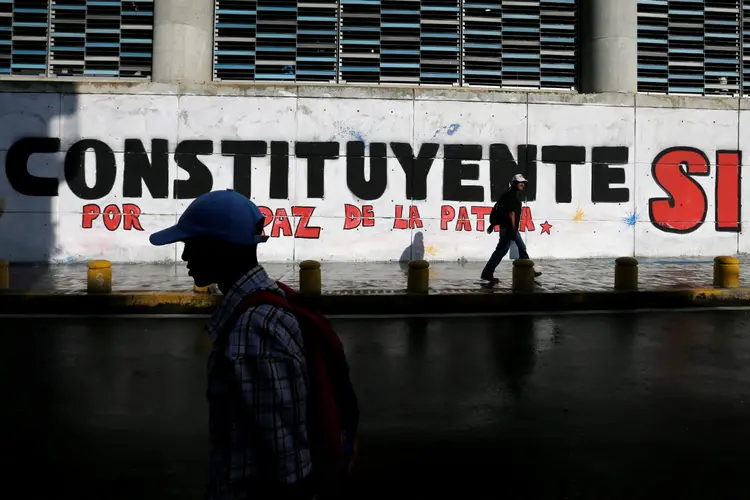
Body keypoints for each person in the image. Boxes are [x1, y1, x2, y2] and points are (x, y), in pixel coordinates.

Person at [149, 189, 316, 500]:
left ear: (219, 250)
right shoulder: (265, 303)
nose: (184, 257)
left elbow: (285, 460)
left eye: (191, 245)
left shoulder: (253, 330)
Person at [481, 174, 541, 283]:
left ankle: (529, 271)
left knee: (520, 248)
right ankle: (487, 273)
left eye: (523, 182)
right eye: (519, 182)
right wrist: (513, 229)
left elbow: (499, 210)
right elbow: (511, 213)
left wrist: (493, 224)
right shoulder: (512, 196)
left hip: (508, 228)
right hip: (509, 228)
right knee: (501, 251)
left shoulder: (508, 195)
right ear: (514, 183)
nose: (522, 184)